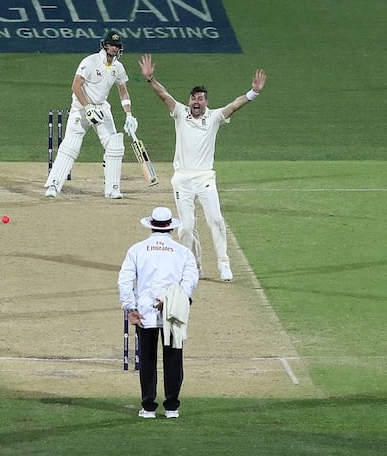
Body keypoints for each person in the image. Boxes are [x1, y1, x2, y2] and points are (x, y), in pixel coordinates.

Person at [139, 53, 267, 281]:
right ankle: (193, 266)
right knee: (186, 228)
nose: (196, 102)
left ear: (206, 102)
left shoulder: (215, 117)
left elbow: (234, 106)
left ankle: (224, 264)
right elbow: (163, 95)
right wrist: (150, 79)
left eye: (201, 99)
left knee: (216, 220)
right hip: (182, 179)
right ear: (189, 100)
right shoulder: (179, 113)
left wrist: (253, 93)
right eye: (193, 98)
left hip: (205, 178)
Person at [118, 206, 199, 419]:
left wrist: (130, 308)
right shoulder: (183, 252)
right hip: (174, 312)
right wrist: (173, 300)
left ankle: (148, 407)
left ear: (152, 226)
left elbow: (125, 281)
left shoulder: (137, 249)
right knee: (173, 359)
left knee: (147, 360)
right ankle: (172, 407)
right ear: (171, 228)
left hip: (144, 312)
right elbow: (190, 280)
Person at [44, 31, 139, 199]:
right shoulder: (90, 62)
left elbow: (123, 93)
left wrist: (129, 115)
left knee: (115, 145)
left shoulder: (118, 67)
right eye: (111, 45)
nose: (114, 48)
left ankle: (112, 189)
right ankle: (53, 185)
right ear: (104, 45)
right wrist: (87, 108)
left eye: (117, 46)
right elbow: (75, 86)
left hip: (102, 108)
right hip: (81, 108)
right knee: (70, 146)